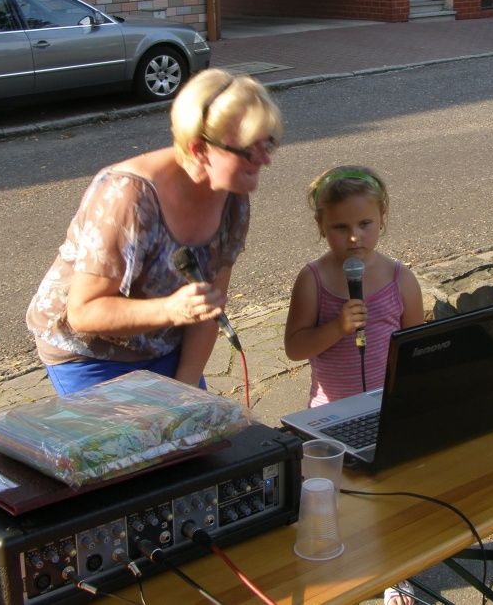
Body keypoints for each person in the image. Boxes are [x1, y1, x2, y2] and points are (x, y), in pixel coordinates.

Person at [26, 69, 282, 396]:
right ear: (200, 149)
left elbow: (208, 309)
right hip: (89, 353)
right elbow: (84, 311)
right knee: (133, 445)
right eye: (249, 150)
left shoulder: (233, 196)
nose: (264, 160)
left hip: (161, 344)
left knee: (195, 437)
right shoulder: (128, 196)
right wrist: (170, 310)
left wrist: (187, 387)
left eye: (268, 143)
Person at [283, 165, 423, 605]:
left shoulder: (401, 279)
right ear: (322, 227)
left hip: (387, 409)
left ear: (382, 218)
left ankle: (395, 571)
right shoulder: (314, 281)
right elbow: (294, 346)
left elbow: (415, 346)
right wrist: (337, 328)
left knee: (388, 496)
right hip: (329, 415)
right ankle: (334, 570)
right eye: (340, 227)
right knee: (337, 500)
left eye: (365, 224)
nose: (354, 237)